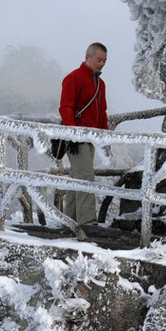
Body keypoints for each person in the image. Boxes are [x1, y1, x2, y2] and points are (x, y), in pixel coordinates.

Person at [59, 42, 109, 225]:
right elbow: (66, 107)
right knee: (86, 176)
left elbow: (102, 111)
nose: (102, 63)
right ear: (88, 57)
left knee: (77, 177)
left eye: (104, 60)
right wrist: (73, 133)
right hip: (77, 138)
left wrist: (105, 135)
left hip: (91, 138)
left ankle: (69, 219)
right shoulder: (73, 78)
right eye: (99, 59)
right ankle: (87, 222)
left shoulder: (100, 83)